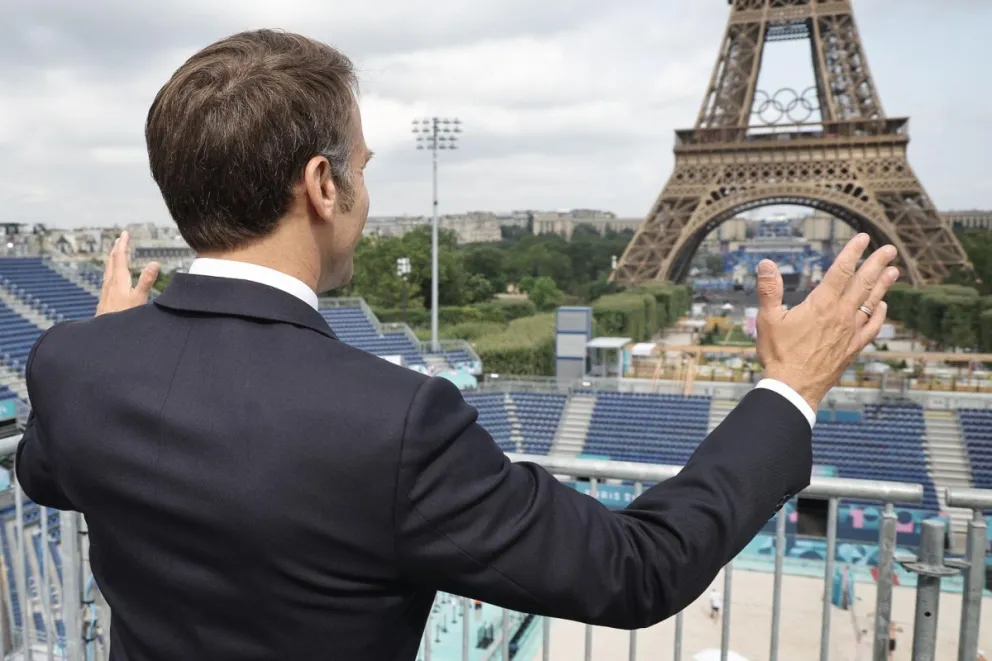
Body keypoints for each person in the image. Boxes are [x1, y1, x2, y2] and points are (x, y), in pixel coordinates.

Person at [15, 30, 899, 661]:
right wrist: (788, 388)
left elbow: (46, 472)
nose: (366, 190)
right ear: (323, 185)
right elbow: (637, 571)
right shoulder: (394, 421)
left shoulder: (76, 365)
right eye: (361, 166)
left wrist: (115, 339)